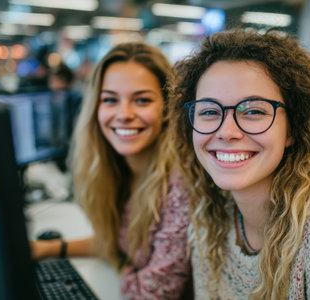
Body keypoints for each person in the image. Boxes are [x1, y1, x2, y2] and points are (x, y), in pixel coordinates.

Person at [169, 29, 310, 299]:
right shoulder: (209, 217)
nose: (227, 131)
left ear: (292, 128)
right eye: (209, 111)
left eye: (254, 111)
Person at [31, 42, 191, 299]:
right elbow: (117, 243)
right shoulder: (119, 171)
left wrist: (120, 265)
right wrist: (47, 249)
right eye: (110, 100)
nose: (124, 114)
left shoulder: (181, 186)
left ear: (166, 109)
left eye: (141, 100)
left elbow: (151, 295)